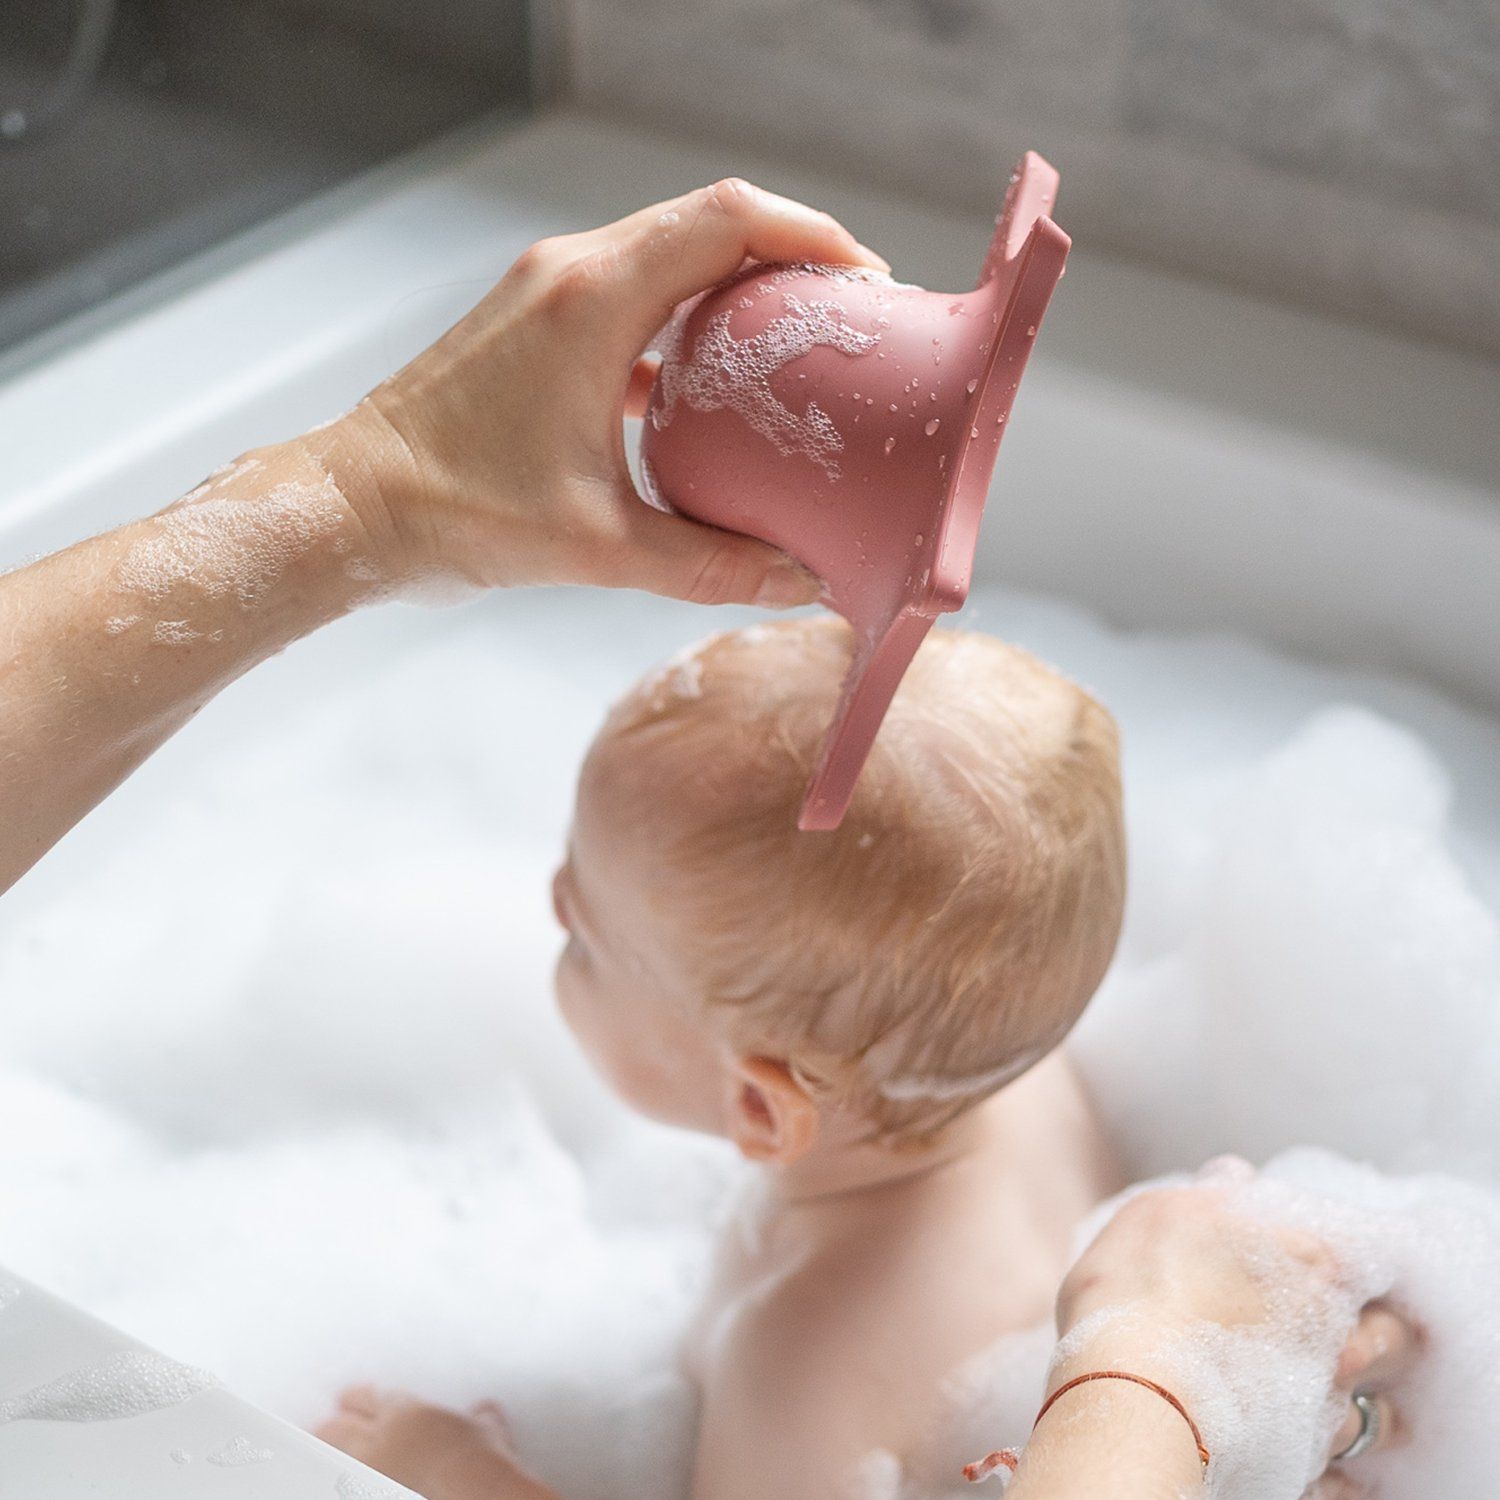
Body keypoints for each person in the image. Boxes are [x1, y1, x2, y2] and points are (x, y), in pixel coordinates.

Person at [0, 182, 1412, 1496]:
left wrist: (464, 1472)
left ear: (759, 1110)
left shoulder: (808, 1373)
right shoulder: (1020, 1084)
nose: (548, 902)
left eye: (583, 931)